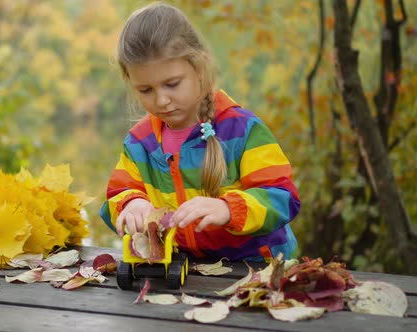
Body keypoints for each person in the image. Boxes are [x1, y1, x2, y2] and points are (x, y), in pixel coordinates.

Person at [100, 2, 300, 262]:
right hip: (191, 272)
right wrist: (130, 204)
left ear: (199, 67)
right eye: (145, 90)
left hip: (260, 269)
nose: (161, 100)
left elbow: (283, 198)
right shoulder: (141, 143)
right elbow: (116, 197)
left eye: (172, 84)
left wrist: (228, 209)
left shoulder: (242, 130)